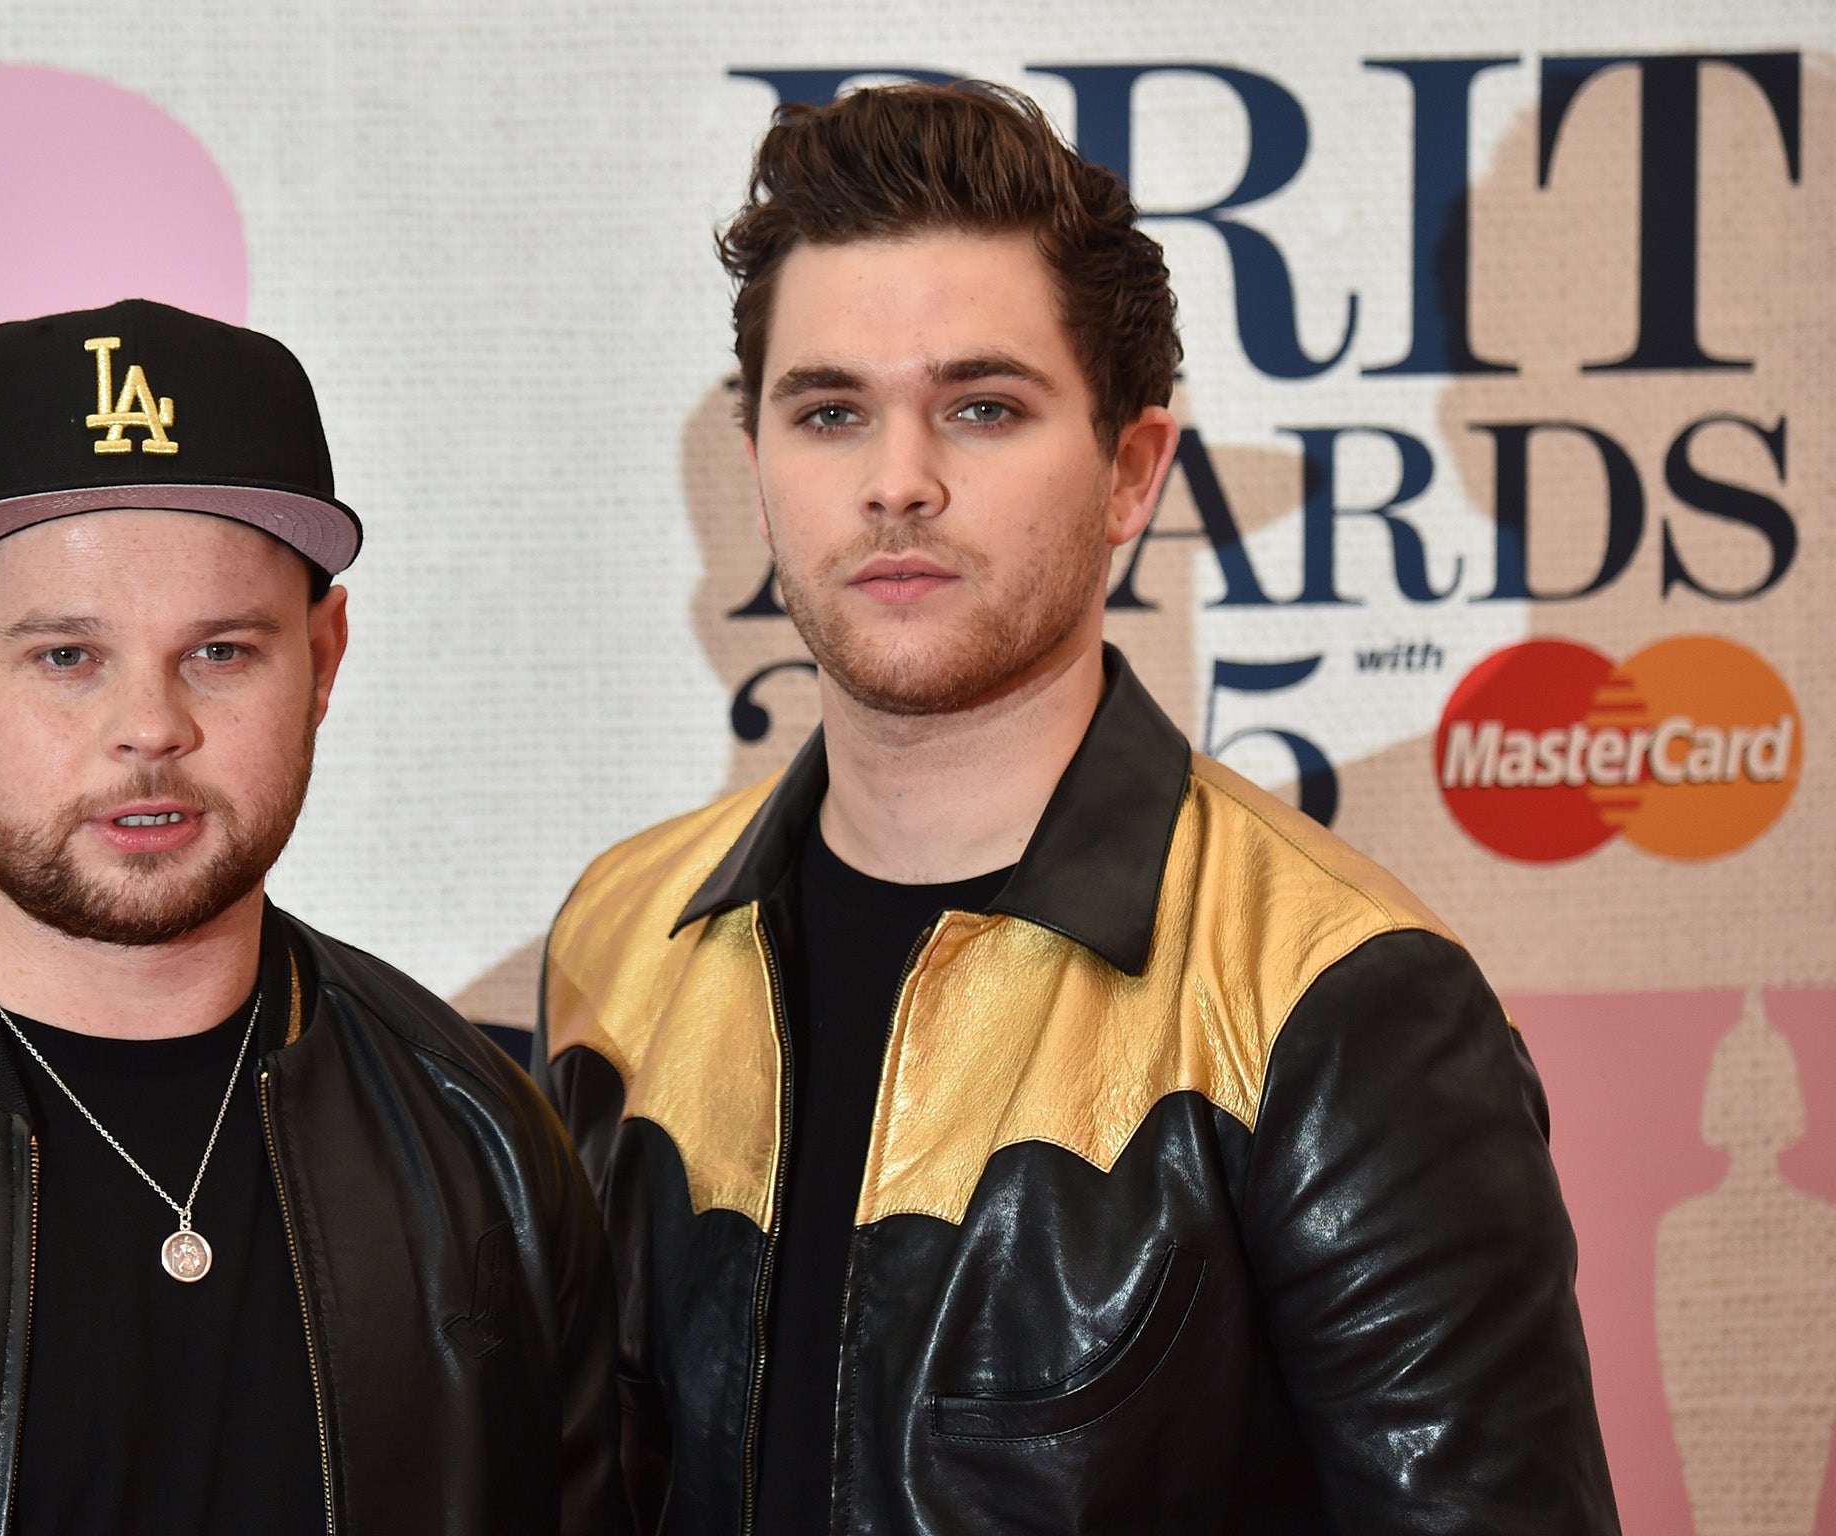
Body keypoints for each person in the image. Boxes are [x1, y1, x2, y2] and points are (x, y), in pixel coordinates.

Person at [535, 83, 1620, 1534]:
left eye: (982, 408)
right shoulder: (622, 940)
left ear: (1131, 473)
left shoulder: (1339, 1003)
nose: (897, 484)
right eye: (831, 411)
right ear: (759, 470)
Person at [0, 298, 621, 1533]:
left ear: (323, 659)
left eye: (222, 651)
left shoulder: (480, 1135)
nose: (151, 727)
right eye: (67, 655)